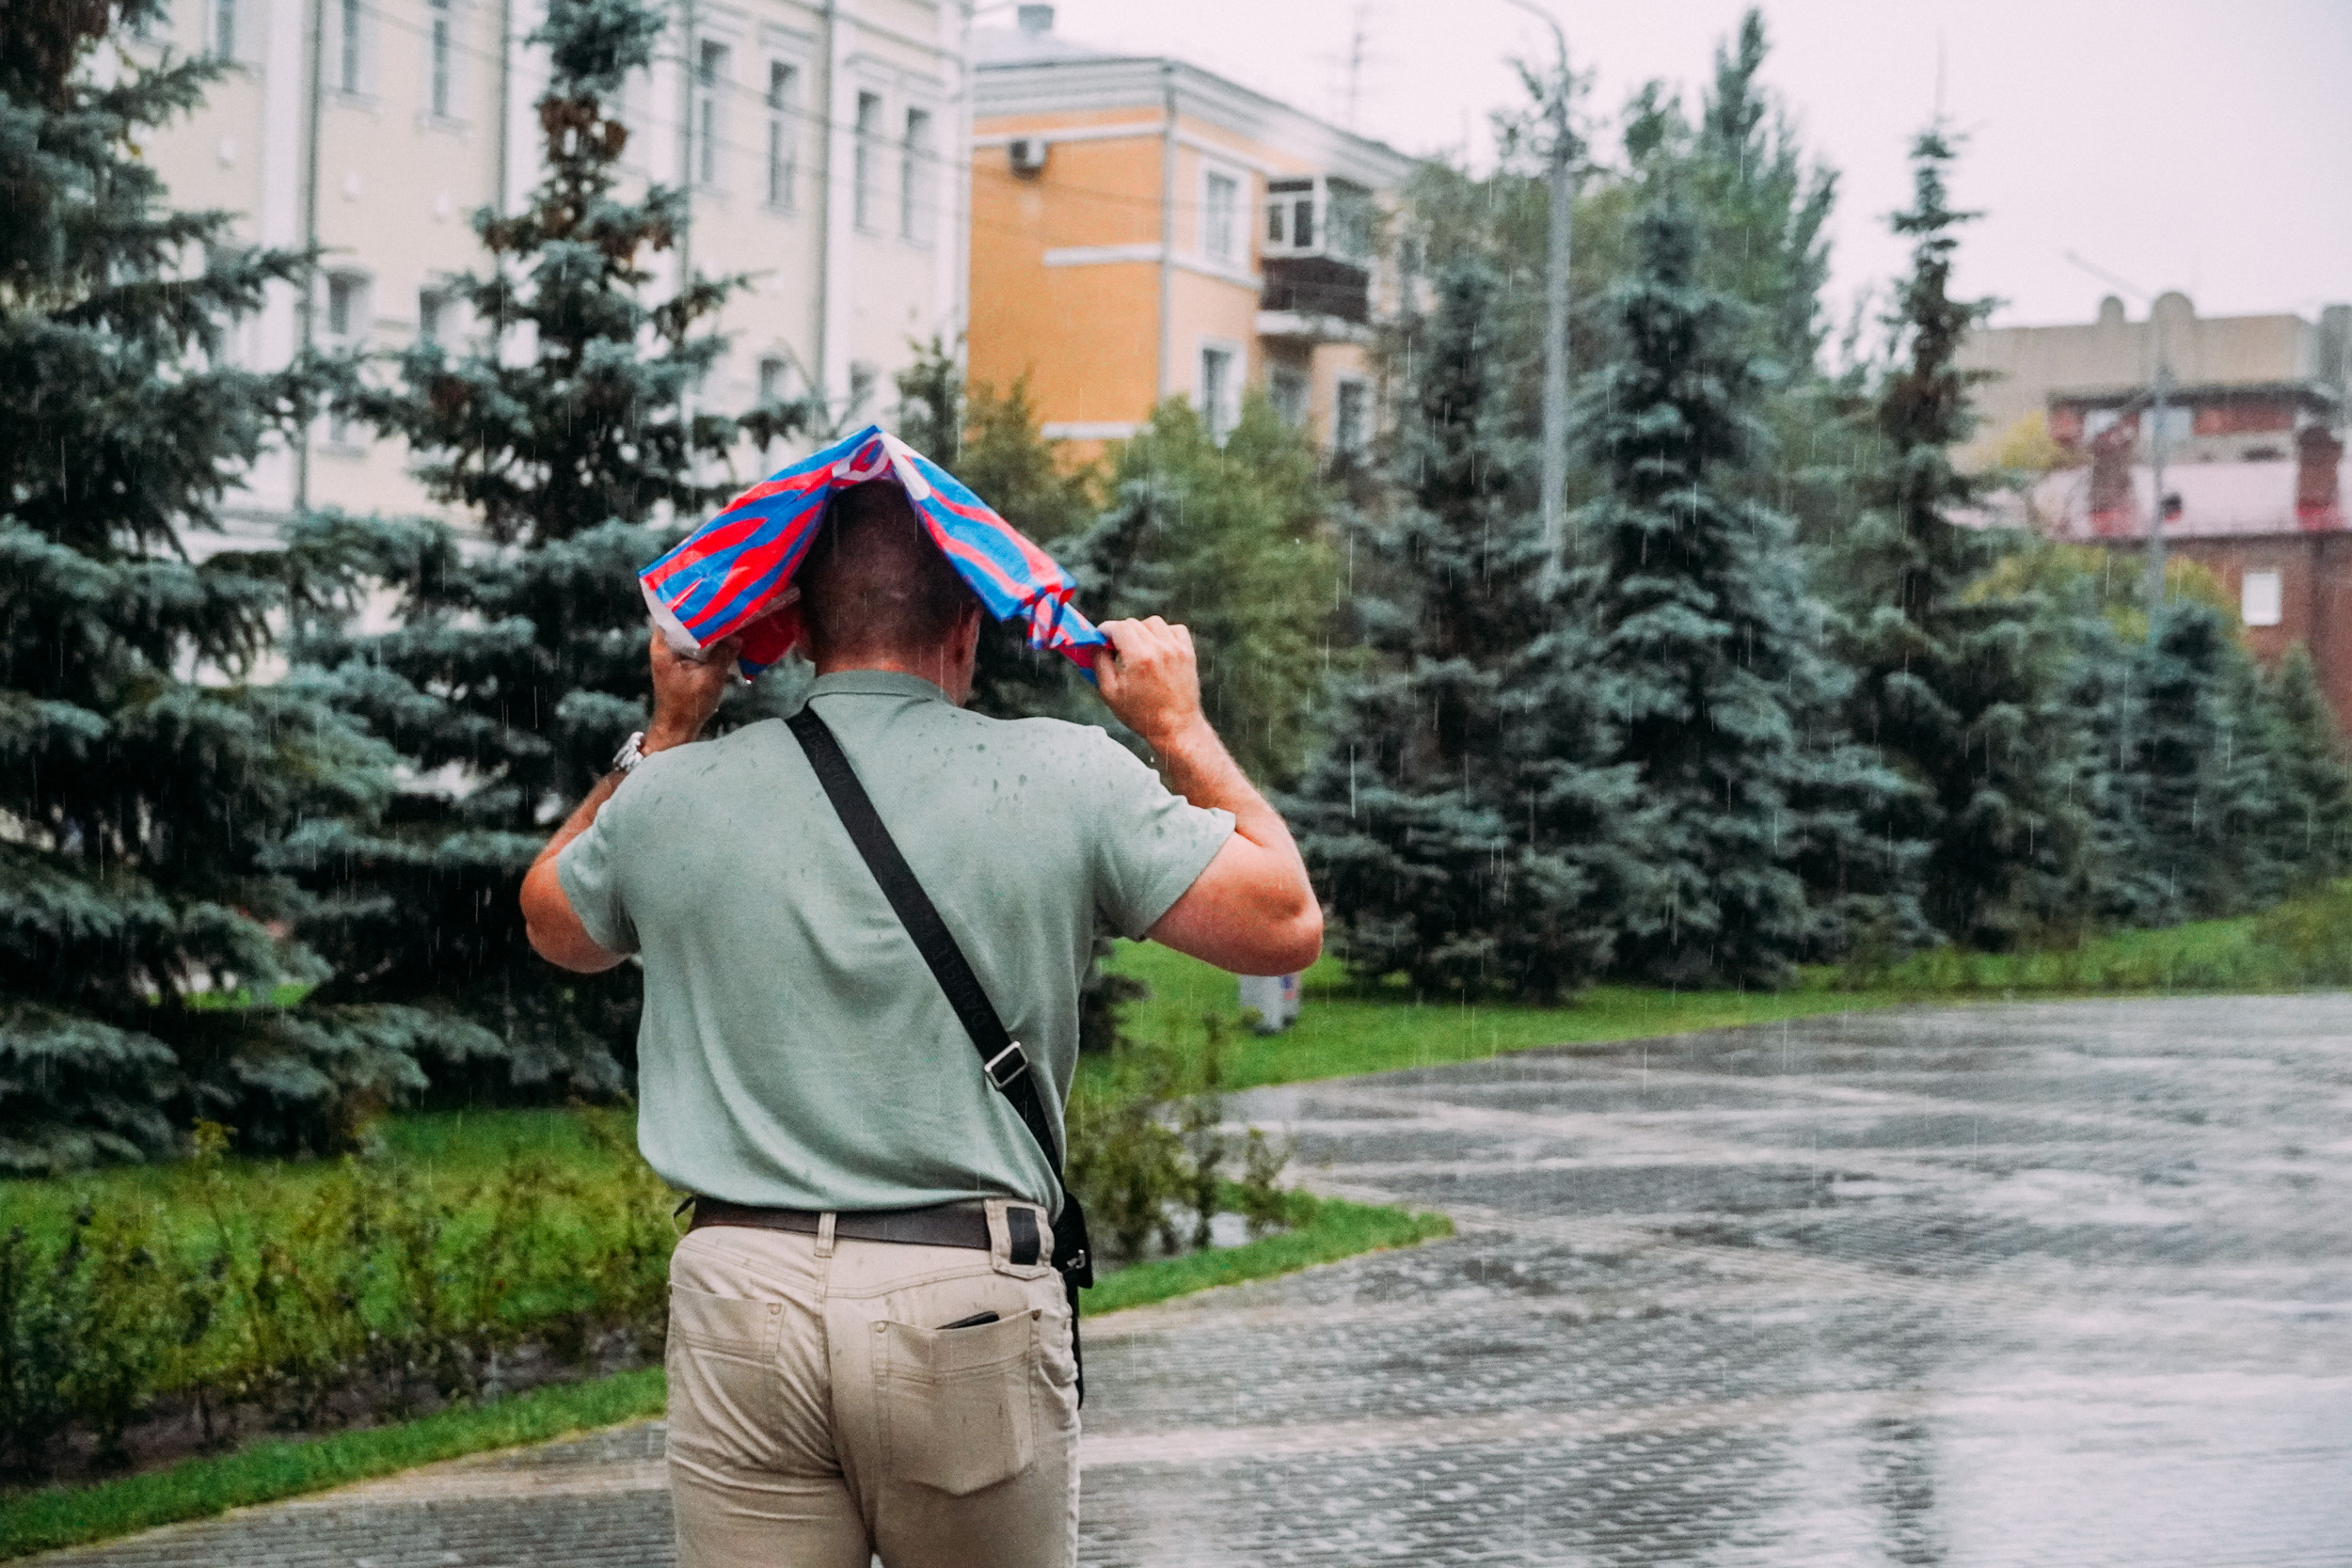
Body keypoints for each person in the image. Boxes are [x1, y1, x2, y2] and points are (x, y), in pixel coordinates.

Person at [517, 479, 1320, 1568]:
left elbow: (555, 920)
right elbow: (1283, 922)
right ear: (965, 627)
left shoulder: (671, 795)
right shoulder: (1066, 775)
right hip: (962, 1302)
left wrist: (668, 726)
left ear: (794, 630)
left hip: (741, 1292)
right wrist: (1177, 727)